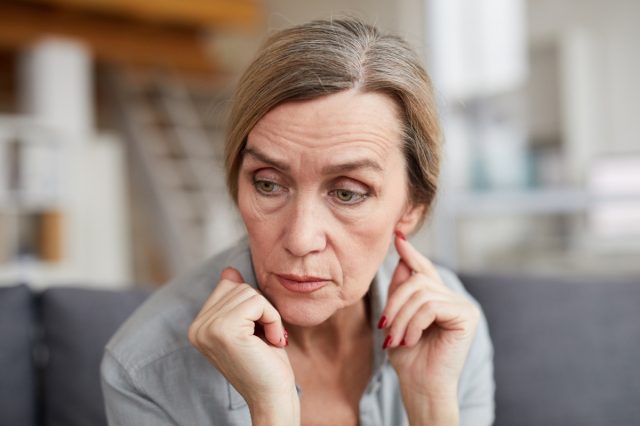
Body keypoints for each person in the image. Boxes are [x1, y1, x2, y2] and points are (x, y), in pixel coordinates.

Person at [101, 18, 495, 426]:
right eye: (269, 184)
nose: (301, 239)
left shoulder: (449, 328)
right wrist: (272, 409)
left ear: (411, 208)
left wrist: (430, 404)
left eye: (347, 193)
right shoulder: (144, 369)